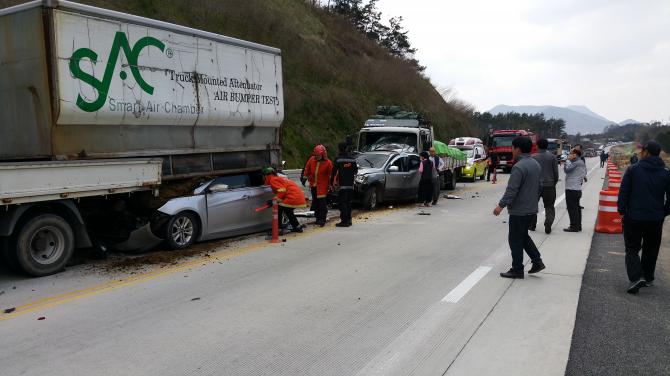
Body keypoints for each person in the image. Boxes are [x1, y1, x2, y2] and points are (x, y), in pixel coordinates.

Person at [617, 141, 670, 294]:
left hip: (634, 217)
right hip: (655, 218)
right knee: (651, 248)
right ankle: (647, 277)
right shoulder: (666, 172)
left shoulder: (633, 170)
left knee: (632, 249)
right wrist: (663, 212)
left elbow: (624, 191)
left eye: (642, 150)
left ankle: (636, 278)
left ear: (646, 152)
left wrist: (622, 210)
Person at [493, 136, 545, 279]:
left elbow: (512, 190)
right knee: (523, 237)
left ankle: (517, 269)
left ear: (518, 149)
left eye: (512, 148)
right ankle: (537, 261)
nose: (512, 150)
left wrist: (500, 205)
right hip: (531, 209)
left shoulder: (519, 166)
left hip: (519, 210)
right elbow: (540, 186)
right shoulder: (536, 164)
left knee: (515, 239)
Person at [262, 167, 306, 233]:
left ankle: (278, 229)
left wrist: (274, 200)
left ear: (265, 176)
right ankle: (297, 227)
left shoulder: (273, 180)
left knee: (279, 209)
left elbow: (282, 190)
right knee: (288, 211)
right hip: (298, 197)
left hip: (292, 197)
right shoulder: (278, 178)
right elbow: (283, 190)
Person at [531, 139, 559, 234]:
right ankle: (548, 223)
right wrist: (553, 183)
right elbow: (556, 173)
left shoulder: (533, 157)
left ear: (537, 146)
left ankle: (532, 225)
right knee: (549, 206)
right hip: (549, 185)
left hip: (535, 186)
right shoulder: (552, 157)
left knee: (533, 205)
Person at [303, 144, 333, 227]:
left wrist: (331, 185)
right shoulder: (312, 159)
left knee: (322, 203)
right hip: (313, 185)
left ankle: (322, 219)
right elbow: (307, 169)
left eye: (318, 155)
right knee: (315, 203)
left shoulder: (328, 163)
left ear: (323, 154)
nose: (316, 156)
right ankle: (317, 218)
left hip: (322, 186)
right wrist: (304, 178)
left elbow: (331, 175)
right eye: (316, 155)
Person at [331, 142, 358, 227]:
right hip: (350, 185)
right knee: (348, 203)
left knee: (342, 203)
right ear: (347, 148)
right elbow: (356, 171)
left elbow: (334, 173)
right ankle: (349, 220)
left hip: (341, 185)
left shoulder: (338, 160)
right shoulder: (352, 159)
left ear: (339, 149)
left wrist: (332, 184)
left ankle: (344, 221)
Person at [563, 148, 587, 232]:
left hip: (571, 188)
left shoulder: (576, 163)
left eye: (571, 153)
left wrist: (568, 160)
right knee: (576, 208)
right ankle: (578, 225)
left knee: (572, 208)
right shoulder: (581, 162)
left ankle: (573, 226)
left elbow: (567, 170)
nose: (569, 155)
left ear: (575, 155)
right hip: (576, 189)